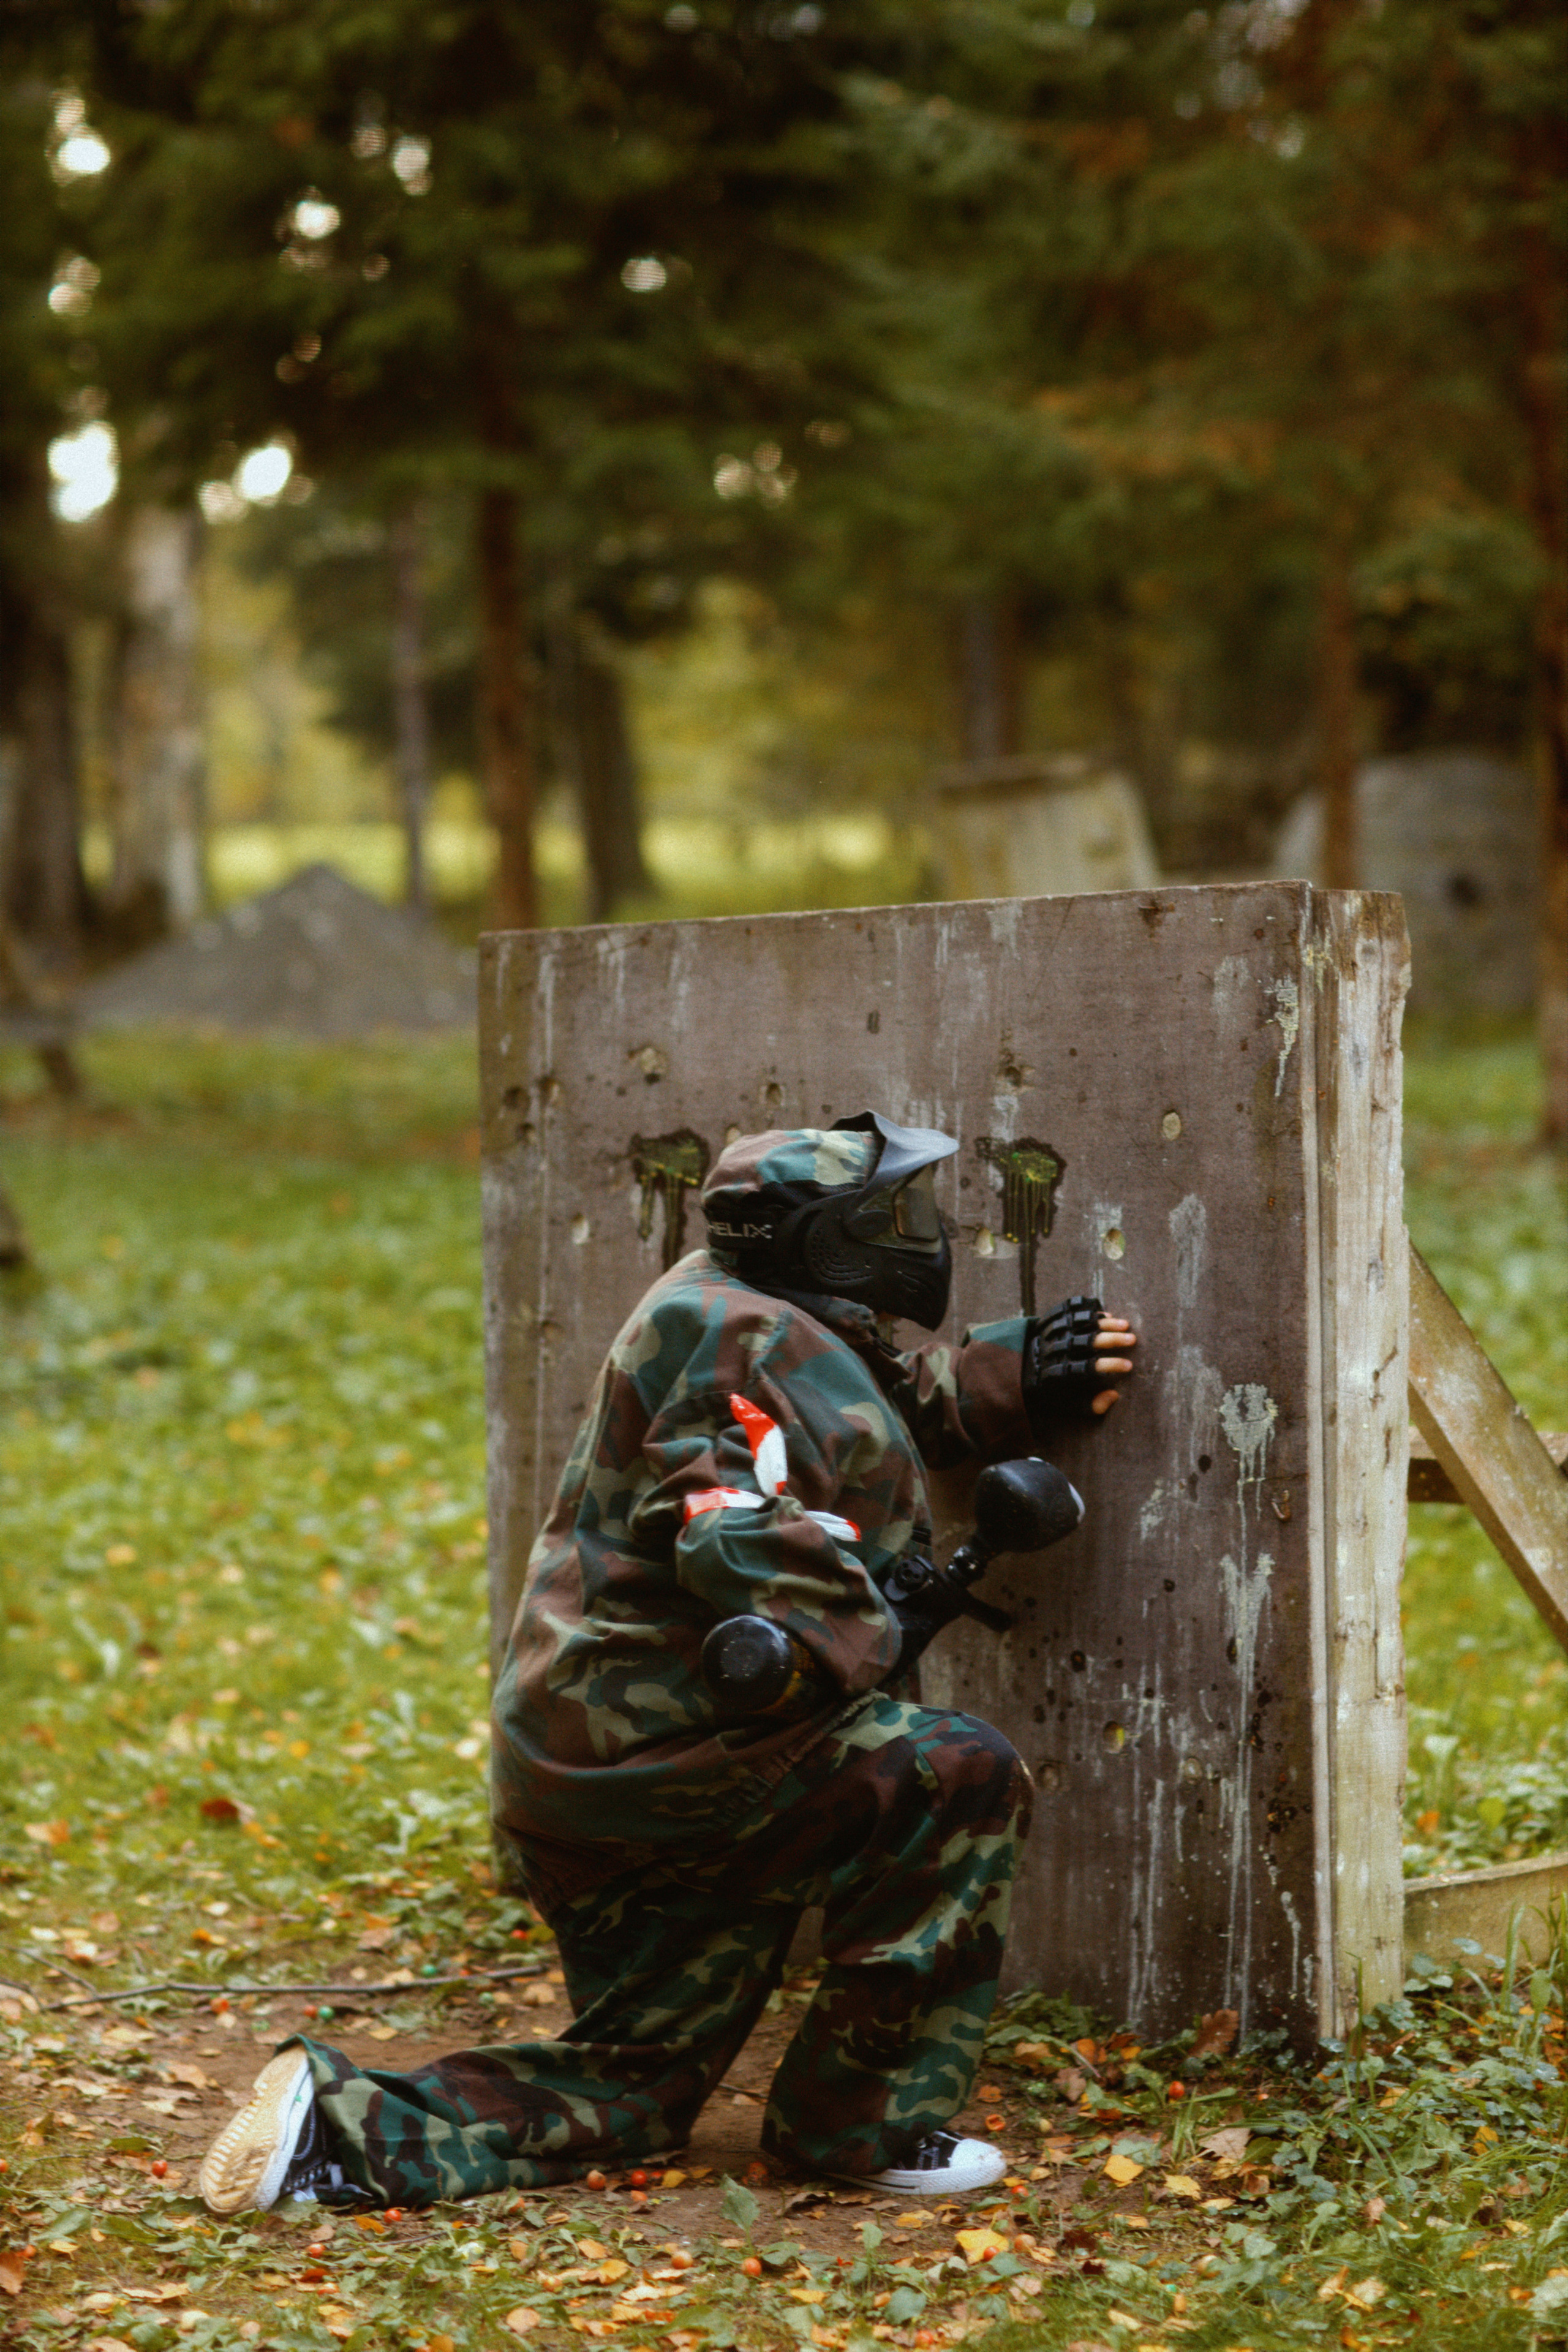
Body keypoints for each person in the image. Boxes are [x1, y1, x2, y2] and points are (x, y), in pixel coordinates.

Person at [200, 1112, 1136, 2214]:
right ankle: (859, 2125)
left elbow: (842, 1408)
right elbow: (724, 1513)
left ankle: (332, 2127)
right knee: (958, 1772)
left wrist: (1003, 1377)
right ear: (818, 1241)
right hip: (683, 1766)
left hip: (595, 1771)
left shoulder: (736, 1301)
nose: (920, 1235)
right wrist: (869, 1627)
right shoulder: (729, 1339)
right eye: (892, 1217)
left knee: (635, 2088)